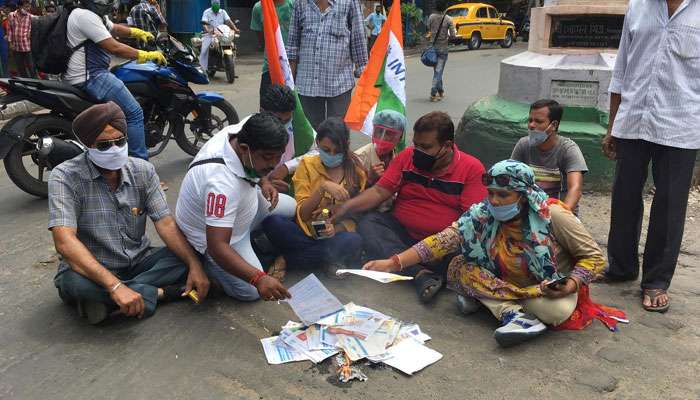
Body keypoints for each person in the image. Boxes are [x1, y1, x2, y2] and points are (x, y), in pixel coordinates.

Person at [364, 160, 626, 347]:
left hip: (547, 288)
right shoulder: (481, 214)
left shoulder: (553, 215)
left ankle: (485, 299)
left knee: (554, 312)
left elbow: (593, 257)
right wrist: (393, 262)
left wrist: (571, 284)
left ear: (523, 196)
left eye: (503, 194)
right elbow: (441, 241)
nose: (495, 201)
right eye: (491, 194)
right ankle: (514, 314)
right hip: (502, 278)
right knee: (457, 266)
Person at [49, 103, 209, 325]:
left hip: (139, 259)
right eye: (104, 145)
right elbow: (64, 241)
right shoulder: (65, 176)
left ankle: (115, 299)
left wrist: (195, 265)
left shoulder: (143, 170)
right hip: (92, 267)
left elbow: (165, 224)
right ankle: (163, 293)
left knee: (196, 254)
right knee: (74, 284)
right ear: (88, 145)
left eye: (120, 141)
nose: (115, 149)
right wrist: (114, 285)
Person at [602, 0, 700, 313]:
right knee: (625, 196)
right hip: (632, 120)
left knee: (670, 204)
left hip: (681, 124)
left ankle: (657, 280)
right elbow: (621, 68)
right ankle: (622, 267)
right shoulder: (638, 6)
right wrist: (612, 125)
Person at [333, 111, 487, 302]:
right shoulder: (407, 157)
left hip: (442, 246)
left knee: (463, 258)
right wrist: (346, 207)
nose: (418, 152)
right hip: (403, 235)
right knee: (369, 223)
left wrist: (439, 246)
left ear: (447, 146)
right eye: (416, 145)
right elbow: (380, 192)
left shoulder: (471, 169)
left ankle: (408, 267)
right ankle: (420, 273)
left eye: (426, 147)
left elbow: (469, 221)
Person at [176, 112, 296, 302]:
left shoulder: (248, 128)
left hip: (244, 207)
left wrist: (264, 182)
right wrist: (259, 278)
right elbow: (217, 245)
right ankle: (205, 265)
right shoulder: (220, 185)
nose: (273, 165)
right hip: (220, 238)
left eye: (278, 157)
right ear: (244, 148)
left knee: (292, 207)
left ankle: (248, 246)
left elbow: (260, 162)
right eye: (267, 158)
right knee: (252, 292)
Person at [262, 118, 366, 279]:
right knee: (273, 223)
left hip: (335, 236)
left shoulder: (356, 170)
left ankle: (286, 260)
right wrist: (322, 187)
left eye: (337, 151)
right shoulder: (307, 165)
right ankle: (326, 260)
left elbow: (357, 216)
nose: (332, 155)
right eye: (326, 149)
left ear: (347, 145)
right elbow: (302, 214)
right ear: (317, 142)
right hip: (304, 231)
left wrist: (335, 229)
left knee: (354, 240)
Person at [64, 0, 167, 161]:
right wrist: (145, 55)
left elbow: (114, 28)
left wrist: (138, 32)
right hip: (92, 76)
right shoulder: (85, 16)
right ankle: (141, 167)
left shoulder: (92, 15)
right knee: (134, 112)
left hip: (91, 73)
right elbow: (115, 47)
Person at [287, 0, 368, 128]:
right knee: (308, 136)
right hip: (307, 86)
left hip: (339, 85)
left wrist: (365, 78)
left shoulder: (349, 2)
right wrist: (289, 84)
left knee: (337, 134)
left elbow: (358, 40)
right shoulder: (300, 3)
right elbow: (292, 46)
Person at [511, 99, 587, 212]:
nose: (531, 125)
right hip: (529, 211)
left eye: (538, 121)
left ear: (553, 125)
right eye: (530, 120)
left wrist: (563, 214)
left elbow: (575, 188)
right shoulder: (523, 145)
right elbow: (510, 179)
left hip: (558, 211)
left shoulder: (568, 149)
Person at [353, 109, 405, 211]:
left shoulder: (400, 157)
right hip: (367, 212)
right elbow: (351, 198)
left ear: (399, 137)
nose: (383, 137)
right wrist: (369, 179)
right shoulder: (359, 158)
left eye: (390, 133)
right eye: (379, 131)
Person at [250, 0, 295, 99]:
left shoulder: (294, 5)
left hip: (294, 66)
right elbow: (262, 39)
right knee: (267, 109)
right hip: (270, 67)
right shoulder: (258, 8)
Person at [426, 0, 455, 102]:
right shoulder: (448, 19)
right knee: (438, 71)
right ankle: (433, 93)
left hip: (433, 49)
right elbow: (453, 35)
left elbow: (429, 28)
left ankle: (441, 91)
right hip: (443, 49)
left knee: (437, 70)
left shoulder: (431, 17)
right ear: (445, 8)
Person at [199, 0, 240, 73]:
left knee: (232, 45)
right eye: (214, 3)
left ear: (219, 4)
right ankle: (203, 68)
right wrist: (208, 30)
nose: (216, 5)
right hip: (211, 34)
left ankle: (231, 67)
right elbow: (204, 23)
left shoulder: (223, 12)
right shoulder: (207, 12)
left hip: (222, 33)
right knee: (205, 49)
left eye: (217, 3)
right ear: (211, 4)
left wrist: (235, 29)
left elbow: (228, 21)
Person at [7, 0, 36, 78]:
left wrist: (31, 33)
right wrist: (10, 43)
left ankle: (36, 84)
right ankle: (26, 83)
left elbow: (38, 27)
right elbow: (9, 29)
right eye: (26, 6)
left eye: (29, 6)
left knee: (32, 68)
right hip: (16, 47)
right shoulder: (11, 15)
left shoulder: (31, 17)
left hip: (27, 47)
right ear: (20, 7)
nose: (28, 8)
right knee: (20, 68)